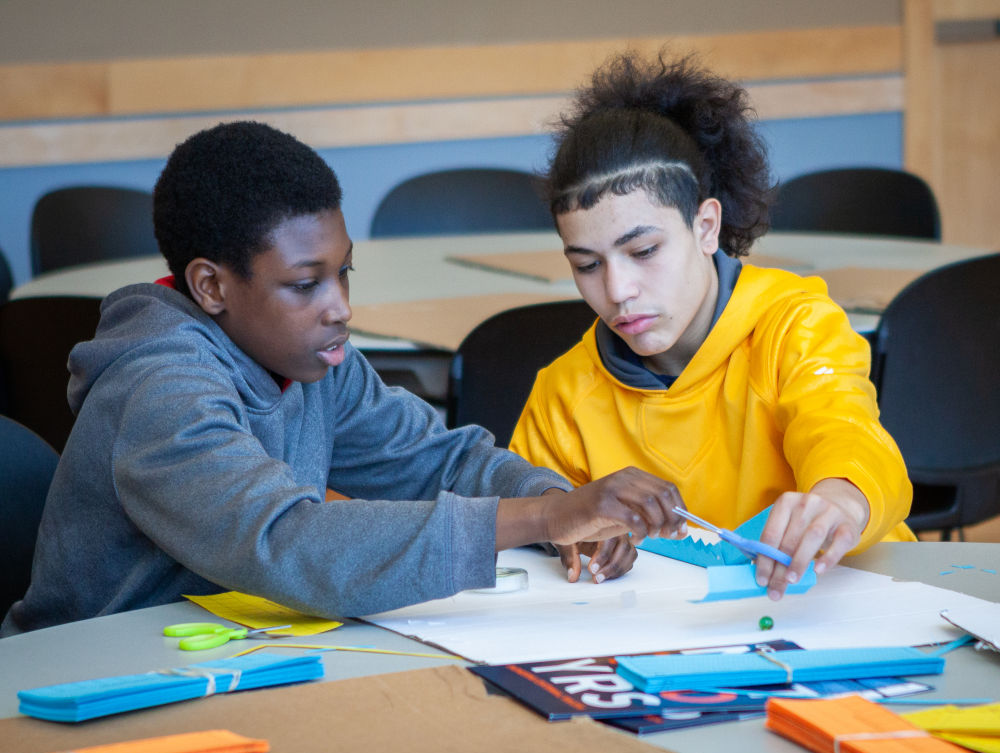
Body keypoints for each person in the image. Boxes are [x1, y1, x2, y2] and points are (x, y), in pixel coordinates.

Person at [2, 121, 685, 636]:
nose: (341, 308)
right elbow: (289, 541)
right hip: (89, 683)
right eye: (305, 284)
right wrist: (542, 516)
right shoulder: (158, 391)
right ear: (211, 286)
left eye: (342, 272)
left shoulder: (310, 359)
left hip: (227, 655)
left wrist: (558, 506)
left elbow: (437, 460)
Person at [509, 51, 915, 599]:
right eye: (587, 264)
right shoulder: (562, 396)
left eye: (644, 250)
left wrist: (838, 500)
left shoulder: (794, 324)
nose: (617, 290)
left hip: (853, 604)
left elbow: (847, 433)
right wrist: (576, 544)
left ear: (706, 227)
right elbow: (540, 533)